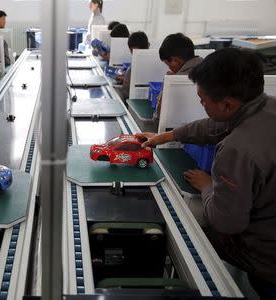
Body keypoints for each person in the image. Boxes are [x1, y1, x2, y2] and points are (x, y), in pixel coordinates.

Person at [137, 48, 276, 299]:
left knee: (187, 228)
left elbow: (227, 222)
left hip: (266, 261)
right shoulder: (265, 105)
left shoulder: (237, 150)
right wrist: (166, 136)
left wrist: (207, 186)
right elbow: (214, 125)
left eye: (202, 100)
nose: (200, 104)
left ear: (226, 104)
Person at [153, 33, 203, 124]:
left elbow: (159, 118)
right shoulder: (209, 69)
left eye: (169, 65)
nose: (169, 69)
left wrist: (168, 81)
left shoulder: (174, 82)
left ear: (176, 60)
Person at [116, 31, 150, 101]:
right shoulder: (136, 60)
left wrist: (124, 78)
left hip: (130, 98)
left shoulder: (147, 64)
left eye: (135, 51)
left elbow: (140, 84)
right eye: (132, 51)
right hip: (126, 95)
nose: (133, 53)